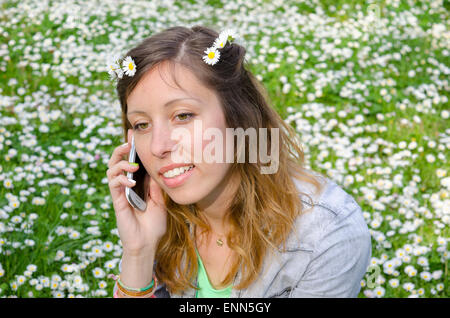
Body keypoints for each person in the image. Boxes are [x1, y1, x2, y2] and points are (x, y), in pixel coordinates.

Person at [105, 25, 371, 298]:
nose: (158, 147)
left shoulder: (327, 234)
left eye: (183, 115)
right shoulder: (160, 218)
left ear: (238, 117)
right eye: (141, 124)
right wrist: (139, 251)